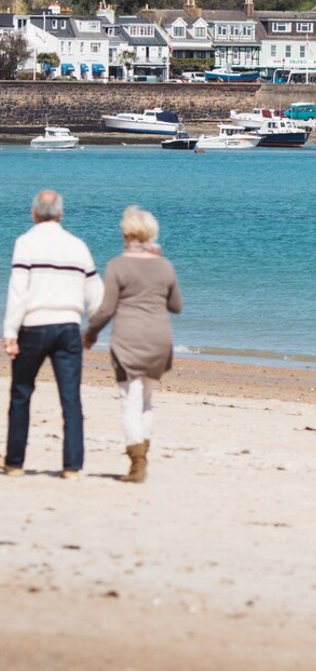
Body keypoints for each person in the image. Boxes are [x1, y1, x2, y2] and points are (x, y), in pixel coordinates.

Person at [4, 190, 102, 478]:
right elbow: (97, 294)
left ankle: (15, 463)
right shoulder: (77, 245)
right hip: (69, 327)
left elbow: (18, 292)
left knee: (21, 393)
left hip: (33, 326)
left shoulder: (25, 242)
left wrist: (10, 332)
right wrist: (92, 330)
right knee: (71, 398)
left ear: (33, 213)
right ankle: (72, 466)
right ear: (60, 214)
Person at [84, 206, 182, 484]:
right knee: (147, 399)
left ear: (126, 234)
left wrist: (90, 334)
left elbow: (106, 310)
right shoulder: (165, 265)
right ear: (151, 233)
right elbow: (176, 305)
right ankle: (143, 455)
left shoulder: (118, 265)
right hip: (159, 339)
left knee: (130, 400)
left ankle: (137, 464)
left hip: (128, 339)